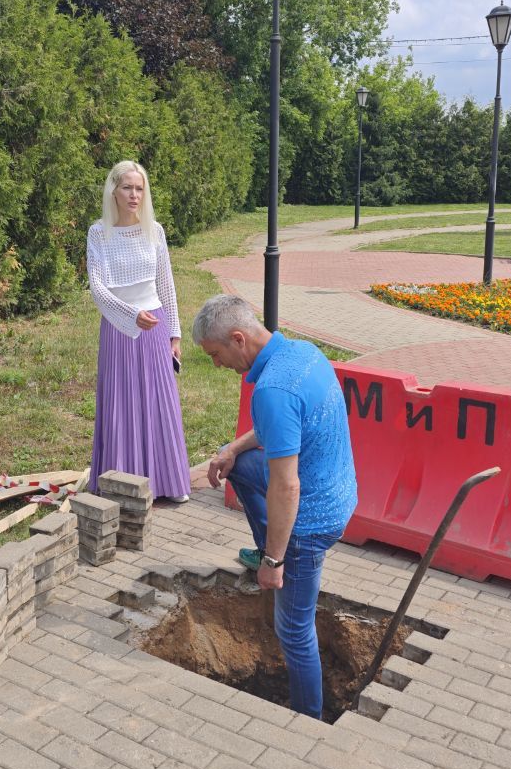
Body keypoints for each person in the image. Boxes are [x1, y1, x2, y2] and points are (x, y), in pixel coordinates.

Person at [194, 294, 357, 719]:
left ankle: (309, 718)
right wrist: (231, 448)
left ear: (237, 339)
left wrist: (274, 559)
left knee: (294, 630)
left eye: (215, 354)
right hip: (340, 490)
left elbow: (287, 487)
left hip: (312, 517)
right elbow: (277, 432)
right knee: (244, 466)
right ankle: (271, 542)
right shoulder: (302, 353)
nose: (216, 365)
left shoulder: (272, 390)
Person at [86, 161, 190, 501]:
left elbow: (166, 285)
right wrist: (132, 315)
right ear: (113, 191)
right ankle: (120, 486)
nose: (134, 194)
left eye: (140, 188)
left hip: (155, 328)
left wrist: (174, 333)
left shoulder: (154, 231)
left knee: (159, 403)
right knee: (120, 404)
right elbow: (98, 289)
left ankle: (167, 484)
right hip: (119, 329)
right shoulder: (99, 233)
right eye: (128, 187)